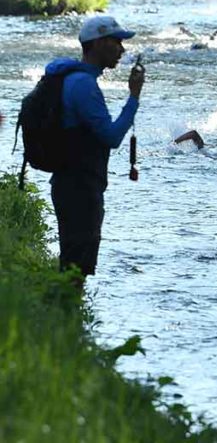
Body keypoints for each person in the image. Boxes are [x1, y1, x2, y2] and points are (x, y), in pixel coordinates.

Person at [45, 16, 145, 285]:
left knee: (74, 261)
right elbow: (111, 137)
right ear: (99, 44)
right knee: (77, 267)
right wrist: (133, 96)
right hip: (79, 187)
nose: (122, 50)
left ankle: (66, 320)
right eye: (117, 42)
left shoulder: (77, 79)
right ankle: (66, 320)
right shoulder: (84, 85)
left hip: (72, 183)